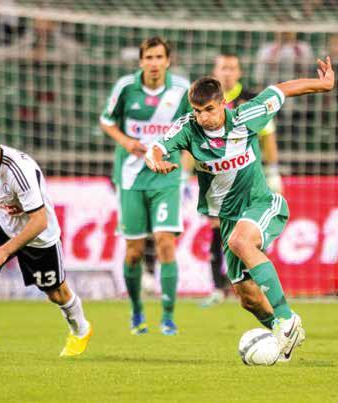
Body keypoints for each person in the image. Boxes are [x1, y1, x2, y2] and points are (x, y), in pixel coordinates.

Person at [145, 57, 335, 361]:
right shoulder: (188, 128)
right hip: (228, 215)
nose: (203, 117)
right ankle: (281, 333)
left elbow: (282, 89)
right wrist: (153, 158)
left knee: (240, 241)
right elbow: (157, 146)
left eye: (209, 110)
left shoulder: (247, 116)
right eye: (197, 111)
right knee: (248, 298)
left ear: (222, 104)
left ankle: (287, 317)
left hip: (262, 203)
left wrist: (323, 84)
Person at [0, 118, 92, 359]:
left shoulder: (18, 170)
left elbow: (39, 220)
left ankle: (81, 329)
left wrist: (4, 252)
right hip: (2, 223)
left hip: (38, 235)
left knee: (56, 294)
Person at [99, 37, 191, 336]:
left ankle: (168, 316)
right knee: (134, 251)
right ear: (141, 61)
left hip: (166, 174)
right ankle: (137, 311)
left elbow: (194, 126)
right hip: (131, 177)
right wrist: (126, 142)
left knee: (165, 242)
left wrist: (190, 165)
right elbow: (106, 121)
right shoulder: (126, 87)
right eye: (148, 57)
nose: (153, 63)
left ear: (168, 61)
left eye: (159, 57)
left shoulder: (181, 90)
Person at [198, 53, 283, 308]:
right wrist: (184, 176)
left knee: (249, 233)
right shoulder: (202, 100)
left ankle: (253, 284)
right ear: (215, 71)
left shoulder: (251, 100)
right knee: (217, 231)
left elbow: (268, 137)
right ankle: (216, 287)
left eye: (232, 68)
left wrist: (273, 170)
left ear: (239, 72)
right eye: (222, 67)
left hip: (248, 179)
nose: (227, 72)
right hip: (215, 179)